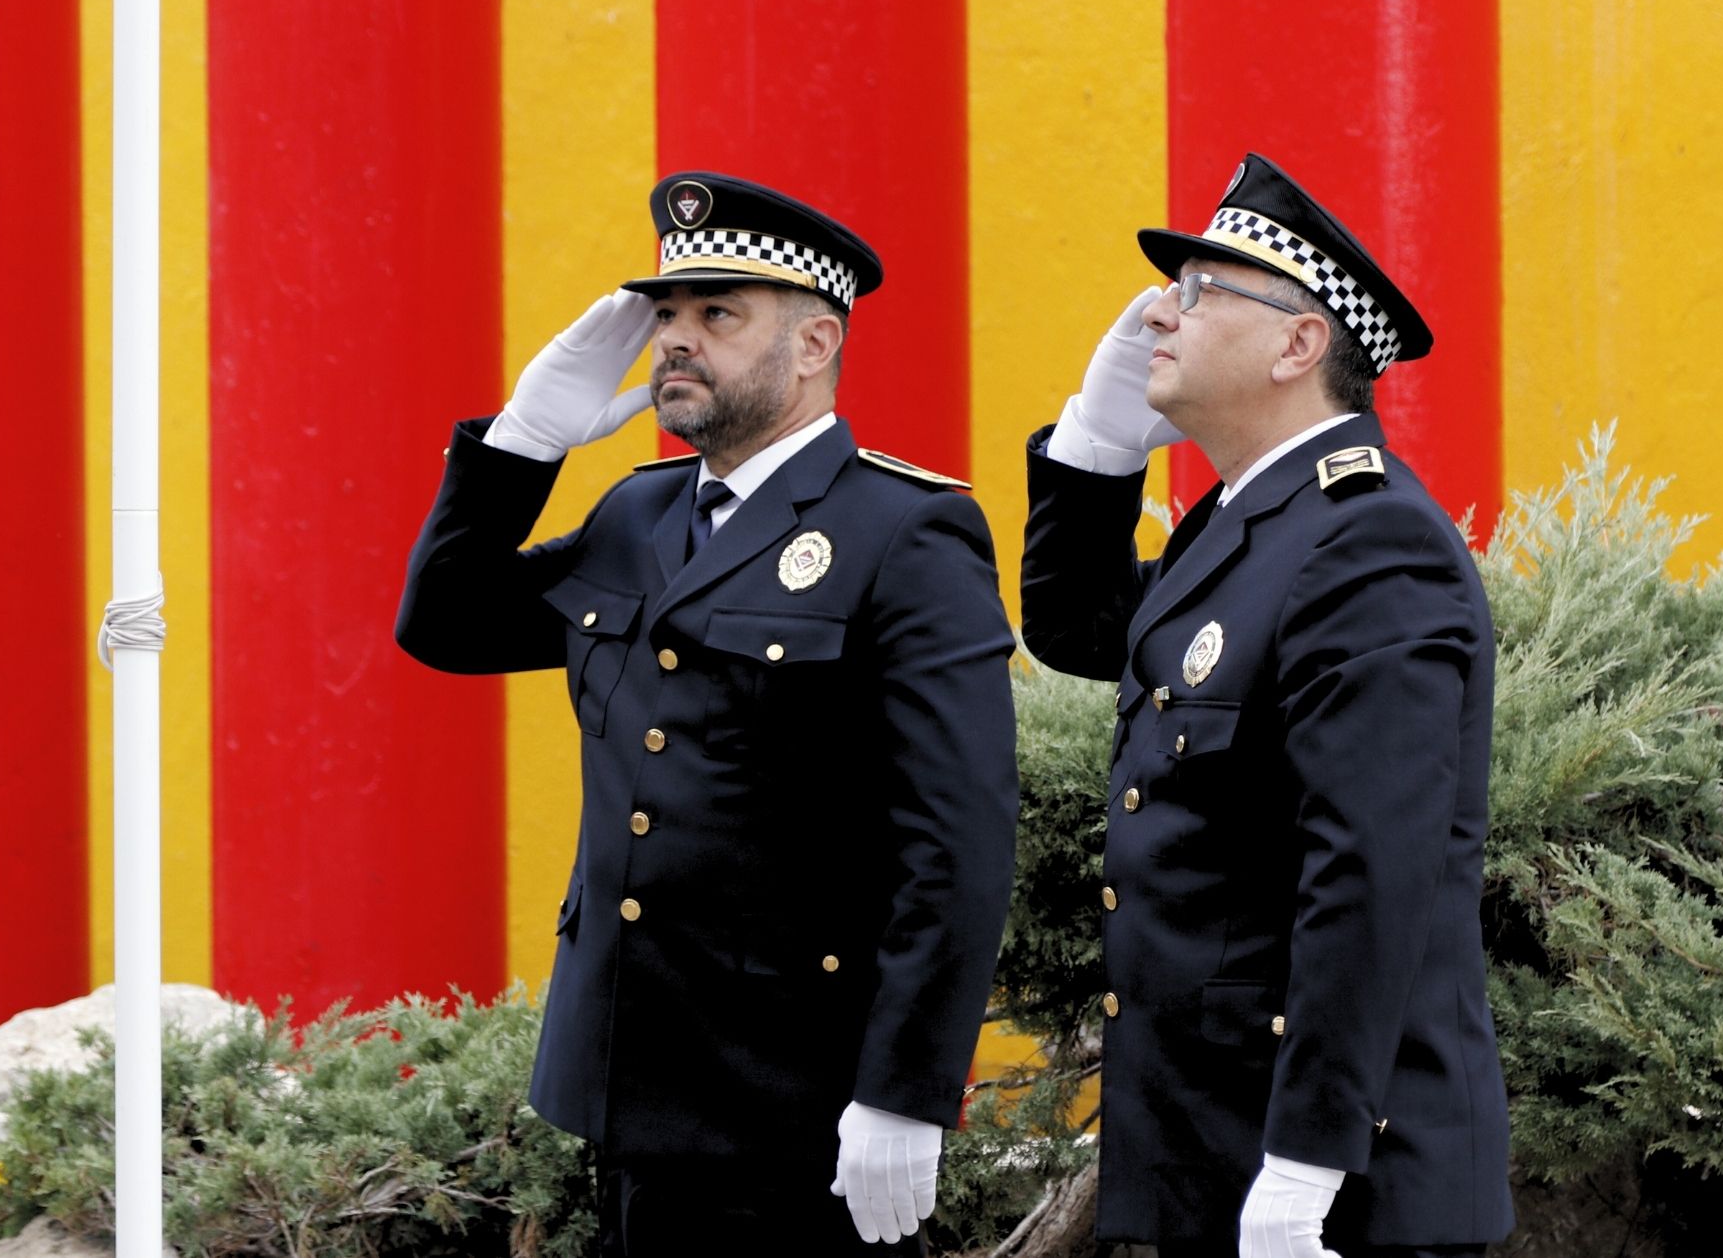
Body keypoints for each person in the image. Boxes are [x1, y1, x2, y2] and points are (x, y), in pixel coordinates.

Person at [396, 172, 1018, 1254]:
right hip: (631, 1086)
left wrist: (907, 1089)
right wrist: (524, 441)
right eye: (667, 315)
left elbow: (958, 835)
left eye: (718, 314)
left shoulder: (905, 530)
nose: (676, 340)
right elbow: (446, 624)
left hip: (794, 1093)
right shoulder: (638, 510)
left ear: (815, 344)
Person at [1019, 153, 1512, 1258]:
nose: (1160, 312)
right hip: (1216, 1152)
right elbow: (1080, 630)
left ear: (1298, 346)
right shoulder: (1251, 522)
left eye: (1200, 291)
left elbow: (1369, 868)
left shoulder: (1369, 539)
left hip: (1333, 1189)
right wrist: (1097, 446)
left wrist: (1308, 1161)